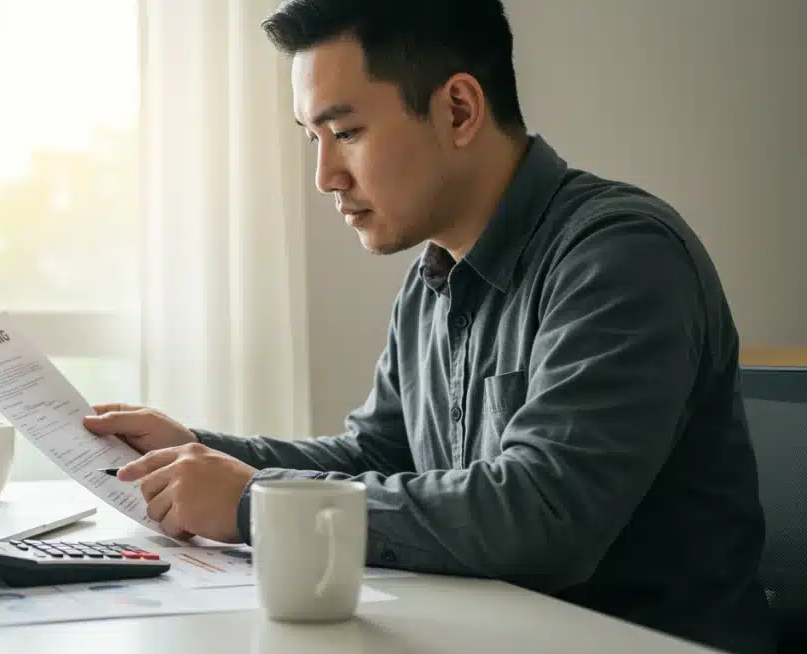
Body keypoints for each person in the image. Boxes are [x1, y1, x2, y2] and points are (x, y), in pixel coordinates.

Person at [82, 1, 775, 651]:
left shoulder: (620, 256)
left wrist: (252, 501)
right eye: (313, 138)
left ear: (459, 110)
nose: (325, 175)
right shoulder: (433, 277)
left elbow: (543, 516)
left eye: (346, 133)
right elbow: (377, 456)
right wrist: (196, 452)